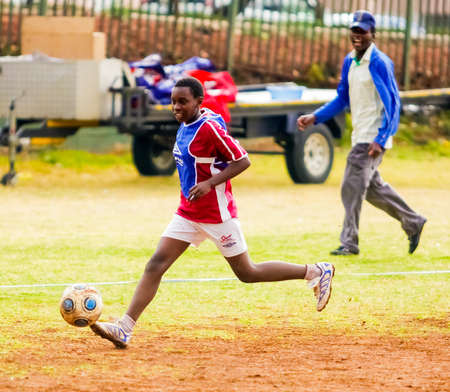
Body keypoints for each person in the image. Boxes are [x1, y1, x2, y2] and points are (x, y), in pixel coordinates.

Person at [90, 76, 335, 349]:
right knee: (155, 264)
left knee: (247, 273)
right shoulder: (185, 125)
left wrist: (209, 184)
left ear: (198, 101)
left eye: (183, 102)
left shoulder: (209, 128)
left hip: (218, 215)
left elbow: (243, 160)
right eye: (173, 102)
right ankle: (125, 327)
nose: (176, 107)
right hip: (188, 213)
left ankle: (314, 271)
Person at [297, 10, 427, 256]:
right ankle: (413, 221)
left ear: (373, 34)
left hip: (372, 138)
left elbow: (394, 104)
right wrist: (316, 117)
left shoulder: (379, 62)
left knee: (351, 186)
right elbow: (342, 98)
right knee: (373, 188)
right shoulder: (350, 61)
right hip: (361, 135)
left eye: (362, 31)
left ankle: (349, 242)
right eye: (354, 31)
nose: (357, 35)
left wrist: (381, 138)